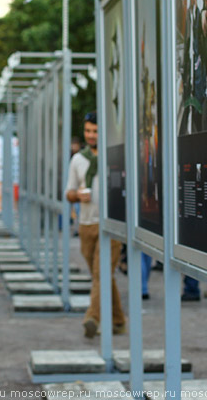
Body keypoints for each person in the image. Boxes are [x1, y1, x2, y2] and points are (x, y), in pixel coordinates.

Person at [66, 111, 127, 338]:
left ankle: (92, 317)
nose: (91, 135)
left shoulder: (116, 157)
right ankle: (119, 320)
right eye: (88, 131)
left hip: (111, 225)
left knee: (102, 274)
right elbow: (68, 192)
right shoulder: (78, 159)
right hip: (86, 224)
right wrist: (77, 195)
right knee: (101, 276)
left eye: (96, 131)